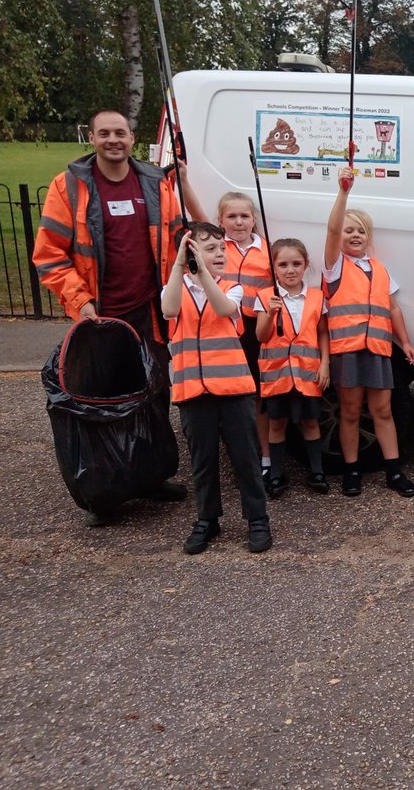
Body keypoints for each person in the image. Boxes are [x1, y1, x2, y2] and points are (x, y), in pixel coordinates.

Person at [33, 109, 206, 525]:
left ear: (132, 138)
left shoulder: (153, 182)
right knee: (104, 400)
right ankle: (104, 493)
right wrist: (81, 301)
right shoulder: (70, 186)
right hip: (100, 316)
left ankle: (150, 477)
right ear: (91, 137)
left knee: (154, 395)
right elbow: (49, 256)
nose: (114, 140)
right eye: (105, 133)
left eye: (121, 133)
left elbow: (182, 234)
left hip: (150, 310)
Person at [160, 222, 271, 554]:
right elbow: (169, 309)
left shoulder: (232, 287)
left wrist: (202, 274)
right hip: (192, 391)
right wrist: (181, 267)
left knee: (245, 458)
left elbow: (224, 308)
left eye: (222, 248)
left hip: (233, 389)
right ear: (190, 254)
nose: (220, 253)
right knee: (203, 460)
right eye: (210, 249)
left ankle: (257, 518)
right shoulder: (173, 286)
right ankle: (208, 519)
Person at [323, 166, 414, 498]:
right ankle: (352, 471)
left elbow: (392, 308)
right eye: (349, 231)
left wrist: (404, 342)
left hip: (378, 350)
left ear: (369, 237)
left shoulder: (379, 269)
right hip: (348, 350)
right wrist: (344, 193)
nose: (353, 235)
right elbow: (333, 230)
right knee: (349, 411)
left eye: (360, 231)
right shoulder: (334, 267)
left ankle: (394, 471)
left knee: (382, 411)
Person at [255, 238, 331, 497]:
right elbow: (261, 336)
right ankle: (276, 475)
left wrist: (325, 365)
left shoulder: (317, 296)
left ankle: (317, 472)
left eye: (296, 264)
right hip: (277, 377)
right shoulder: (266, 297)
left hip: (308, 374)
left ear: (305, 265)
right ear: (273, 267)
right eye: (283, 264)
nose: (290, 270)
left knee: (310, 421)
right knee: (277, 423)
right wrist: (269, 314)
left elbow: (322, 333)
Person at [218, 191, 272, 478]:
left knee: (258, 394)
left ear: (254, 220)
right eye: (231, 216)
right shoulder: (216, 246)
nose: (238, 222)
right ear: (220, 221)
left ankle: (265, 457)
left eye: (244, 216)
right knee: (232, 396)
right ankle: (240, 458)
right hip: (224, 328)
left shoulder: (267, 250)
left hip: (255, 329)